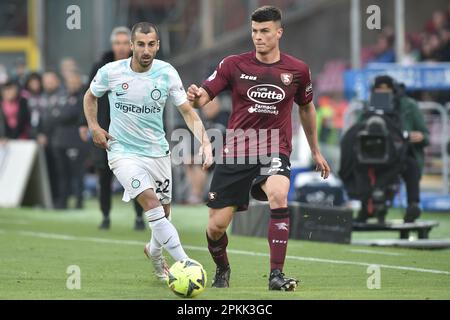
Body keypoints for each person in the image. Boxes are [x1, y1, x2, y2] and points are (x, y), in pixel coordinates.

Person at [187, 6, 330, 291]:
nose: (258, 37)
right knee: (216, 227)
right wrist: (195, 97)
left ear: (279, 32)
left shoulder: (297, 70)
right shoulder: (233, 64)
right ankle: (223, 268)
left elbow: (306, 108)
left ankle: (276, 275)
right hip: (237, 150)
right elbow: (204, 98)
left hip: (274, 147)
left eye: (265, 31)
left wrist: (315, 150)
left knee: (279, 193)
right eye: (254, 31)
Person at [83, 22, 213, 281]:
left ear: (157, 46)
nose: (145, 50)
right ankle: (185, 263)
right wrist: (94, 127)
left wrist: (206, 142)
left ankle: (154, 253)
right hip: (122, 152)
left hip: (157, 152)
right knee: (151, 204)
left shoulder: (166, 73)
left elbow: (187, 112)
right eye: (140, 44)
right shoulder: (110, 72)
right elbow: (90, 96)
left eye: (150, 44)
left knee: (163, 214)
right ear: (131, 46)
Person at [79, 26, 145, 230]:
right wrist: (87, 124)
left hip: (133, 130)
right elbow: (88, 95)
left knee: (135, 174)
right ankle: (105, 216)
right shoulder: (101, 66)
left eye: (126, 43)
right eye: (118, 43)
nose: (122, 47)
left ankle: (139, 217)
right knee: (104, 174)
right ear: (112, 45)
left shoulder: (142, 65)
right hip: (104, 128)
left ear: (132, 45)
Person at [371, 75, 429, 223]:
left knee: (411, 166)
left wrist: (421, 137)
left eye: (386, 89)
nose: (383, 93)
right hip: (378, 154)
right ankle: (378, 204)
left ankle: (413, 206)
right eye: (379, 89)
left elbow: (425, 135)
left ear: (393, 89)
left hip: (405, 153)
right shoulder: (373, 105)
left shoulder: (408, 105)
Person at [47, 70, 88, 209]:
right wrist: (61, 115)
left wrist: (60, 115)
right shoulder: (62, 96)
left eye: (74, 81)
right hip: (60, 141)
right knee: (62, 173)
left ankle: (79, 201)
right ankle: (62, 201)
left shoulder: (84, 96)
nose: (71, 85)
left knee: (77, 173)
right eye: (69, 82)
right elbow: (53, 115)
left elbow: (71, 114)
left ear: (79, 82)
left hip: (75, 140)